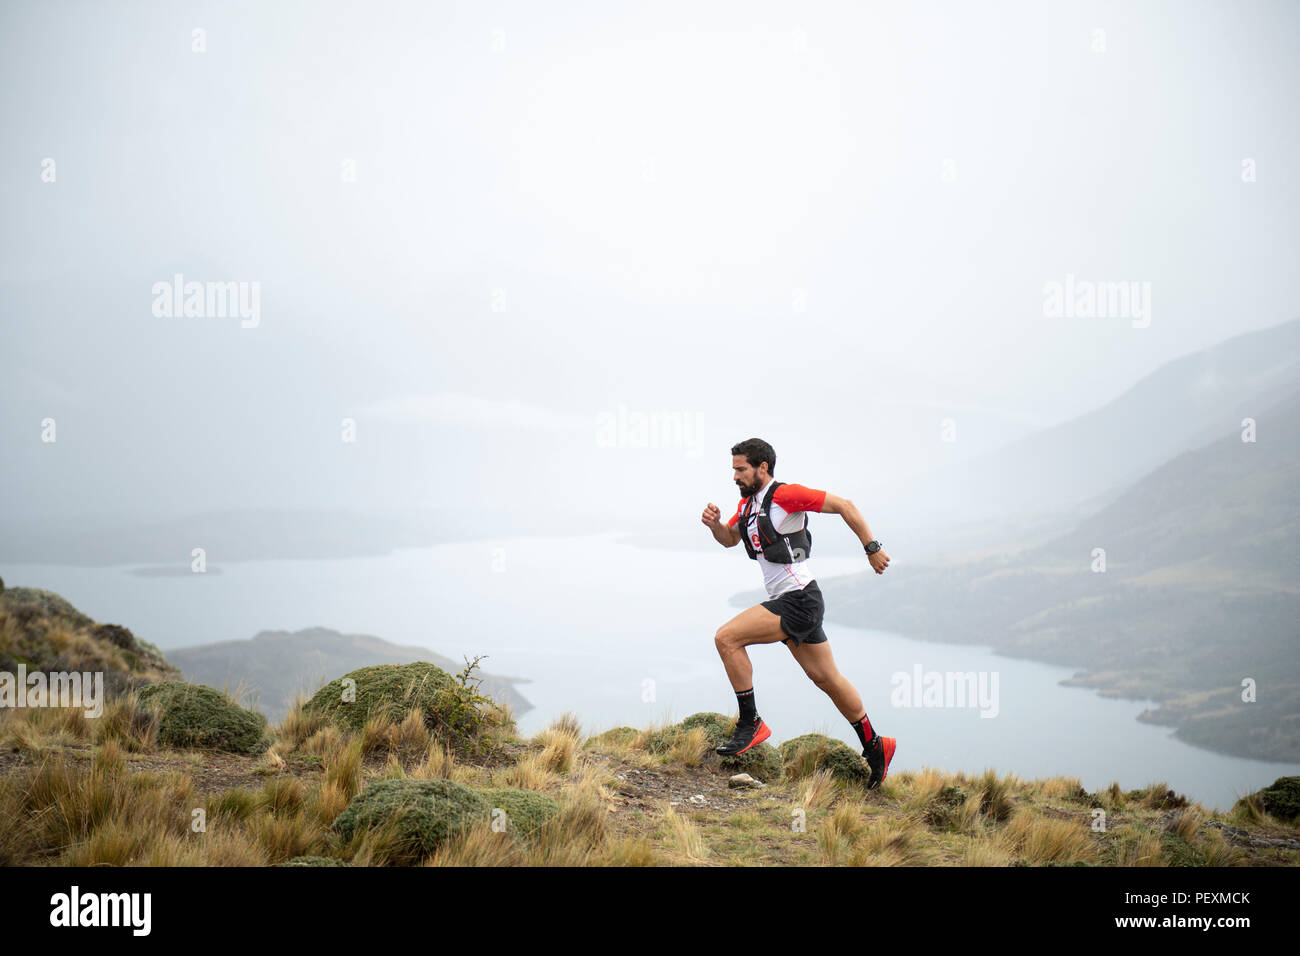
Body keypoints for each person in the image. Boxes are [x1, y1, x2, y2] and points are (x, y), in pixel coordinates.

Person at [700, 437, 897, 788]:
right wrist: (715, 525)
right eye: (733, 470)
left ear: (763, 467)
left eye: (741, 469)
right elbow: (730, 538)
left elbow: (844, 505)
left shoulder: (786, 495)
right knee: (827, 680)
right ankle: (876, 745)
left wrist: (872, 548)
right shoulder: (748, 505)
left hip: (799, 599)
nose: (735, 477)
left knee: (726, 638)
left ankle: (751, 723)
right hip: (796, 601)